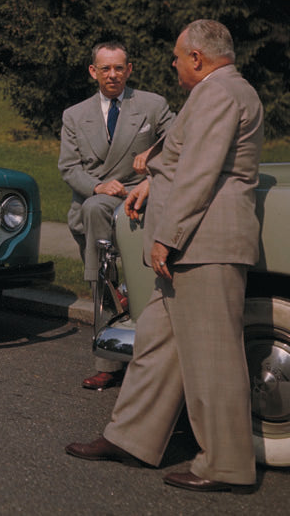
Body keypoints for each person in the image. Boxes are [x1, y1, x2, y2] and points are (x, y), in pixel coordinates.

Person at [65, 20, 264, 493]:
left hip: (202, 244)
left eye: (177, 57)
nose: (172, 65)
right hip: (191, 245)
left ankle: (226, 466)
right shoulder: (221, 92)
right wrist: (154, 181)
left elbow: (201, 173)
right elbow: (189, 159)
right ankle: (130, 438)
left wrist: (166, 238)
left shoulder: (219, 93)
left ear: (197, 57)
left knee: (213, 360)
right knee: (155, 345)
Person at [58, 41, 174, 390]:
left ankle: (105, 286)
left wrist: (152, 158)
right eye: (105, 68)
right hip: (98, 199)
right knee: (93, 214)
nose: (112, 75)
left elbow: (181, 138)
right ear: (93, 71)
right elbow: (68, 167)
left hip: (141, 197)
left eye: (119, 68)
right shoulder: (74, 115)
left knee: (140, 283)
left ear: (129, 70)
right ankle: (107, 360)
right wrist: (96, 186)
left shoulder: (152, 105)